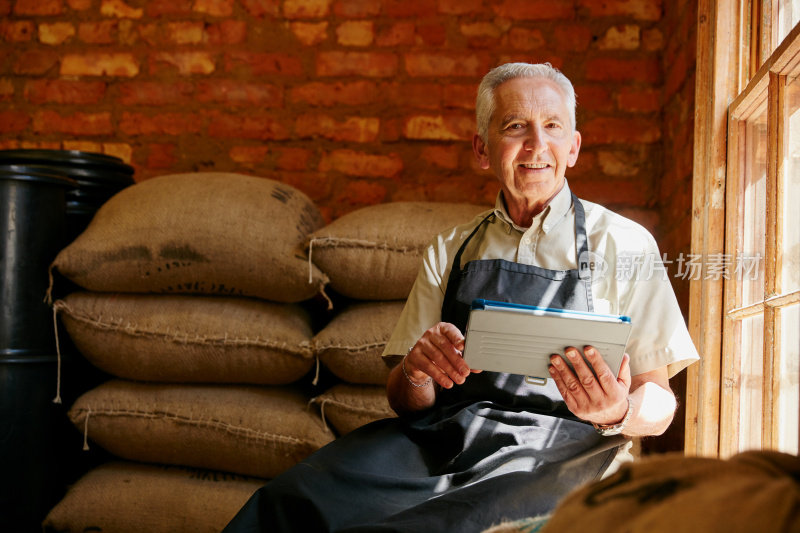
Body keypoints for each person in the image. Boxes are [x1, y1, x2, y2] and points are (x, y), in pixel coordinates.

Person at [223, 62, 700, 533]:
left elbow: (657, 401)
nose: (537, 145)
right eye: (516, 126)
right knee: (289, 501)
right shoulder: (451, 249)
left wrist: (618, 412)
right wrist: (415, 371)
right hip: (442, 441)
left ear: (573, 148)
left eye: (552, 126)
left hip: (563, 454)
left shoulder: (624, 243)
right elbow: (405, 400)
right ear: (482, 149)